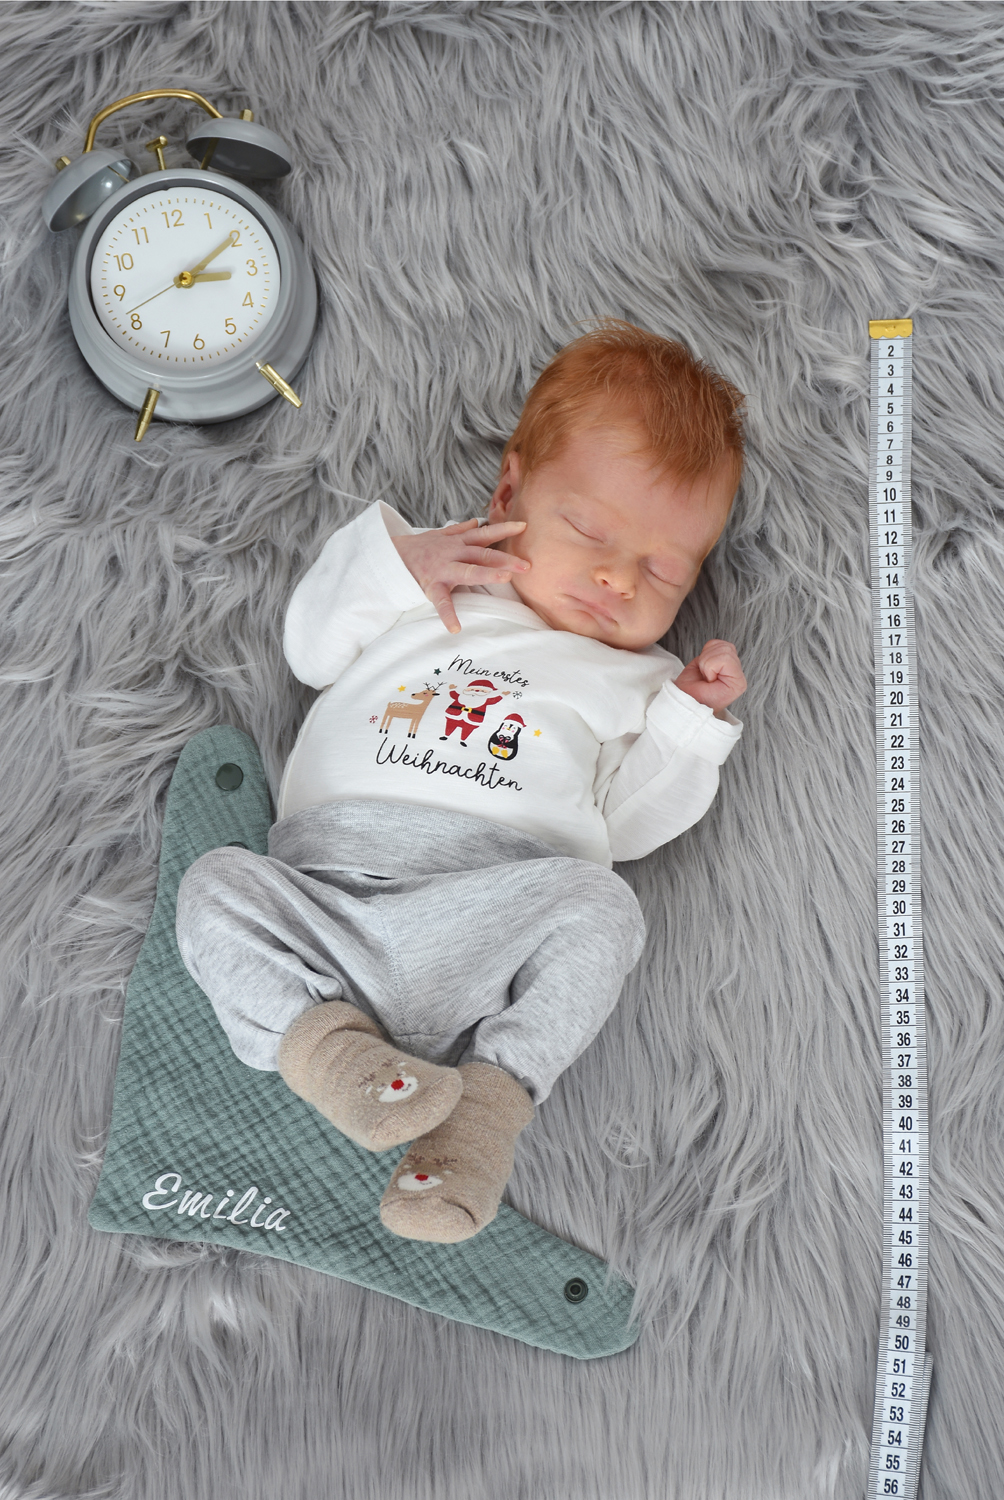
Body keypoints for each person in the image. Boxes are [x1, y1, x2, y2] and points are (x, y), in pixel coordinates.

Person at [176, 320, 748, 1245]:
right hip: (329, 907)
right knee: (216, 888)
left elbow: (629, 826)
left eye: (662, 571)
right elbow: (311, 647)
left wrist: (688, 723)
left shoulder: (637, 682)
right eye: (589, 530)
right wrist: (396, 568)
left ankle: (482, 1119)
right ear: (510, 491)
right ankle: (336, 1061)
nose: (616, 578)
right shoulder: (431, 574)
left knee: (606, 912)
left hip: (489, 926)